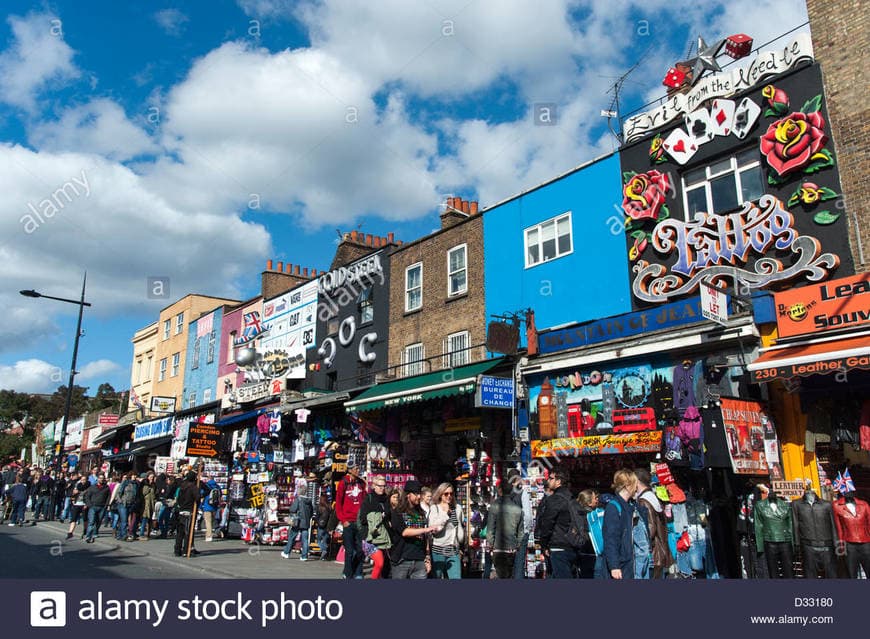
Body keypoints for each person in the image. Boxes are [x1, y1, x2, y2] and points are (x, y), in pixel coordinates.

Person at [537, 468, 580, 578]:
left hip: (558, 546)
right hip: (572, 544)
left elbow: (547, 524)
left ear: (558, 481)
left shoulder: (555, 500)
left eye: (551, 478)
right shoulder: (572, 498)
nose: (548, 481)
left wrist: (544, 544)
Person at [390, 481, 435, 579]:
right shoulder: (397, 512)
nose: (419, 496)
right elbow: (404, 532)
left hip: (419, 560)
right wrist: (426, 529)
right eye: (416, 494)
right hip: (402, 560)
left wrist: (427, 557)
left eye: (420, 494)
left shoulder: (421, 512)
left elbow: (425, 538)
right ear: (408, 495)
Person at [635, 469, 673, 579]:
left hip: (653, 553)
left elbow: (650, 528)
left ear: (637, 481)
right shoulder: (652, 496)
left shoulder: (643, 501)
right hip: (660, 550)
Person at [603, 469, 638, 579]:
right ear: (627, 486)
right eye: (634, 485)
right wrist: (614, 566)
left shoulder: (630, 505)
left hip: (629, 561)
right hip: (621, 563)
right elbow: (611, 538)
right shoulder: (613, 507)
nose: (636, 488)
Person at [486, 482, 524, 578]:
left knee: (500, 575)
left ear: (500, 491)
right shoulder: (518, 509)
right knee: (508, 575)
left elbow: (490, 528)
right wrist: (518, 544)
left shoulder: (494, 506)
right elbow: (520, 531)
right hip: (511, 548)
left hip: (498, 548)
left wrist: (490, 544)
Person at [335, 462, 366, 578]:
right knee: (349, 551)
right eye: (356, 469)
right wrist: (343, 520)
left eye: (359, 468)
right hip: (348, 521)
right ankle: (347, 573)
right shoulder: (343, 483)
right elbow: (338, 504)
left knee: (360, 550)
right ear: (350, 470)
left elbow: (365, 499)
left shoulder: (361, 483)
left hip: (359, 522)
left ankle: (358, 572)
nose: (358, 471)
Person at [428, 483, 465, 579]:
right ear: (440, 494)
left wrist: (461, 546)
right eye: (446, 494)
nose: (449, 496)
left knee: (456, 578)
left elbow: (460, 527)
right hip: (438, 550)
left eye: (451, 494)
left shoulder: (458, 508)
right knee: (437, 577)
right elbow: (433, 529)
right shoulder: (435, 508)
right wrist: (446, 515)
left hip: (454, 550)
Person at [358, 476, 391, 578]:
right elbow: (363, 518)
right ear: (374, 486)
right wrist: (376, 517)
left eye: (384, 486)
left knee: (385, 567)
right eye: (379, 486)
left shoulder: (387, 499)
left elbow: (389, 515)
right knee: (379, 562)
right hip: (370, 538)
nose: (382, 488)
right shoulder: (369, 499)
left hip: (384, 537)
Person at [579, 489, 609, 579]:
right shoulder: (592, 517)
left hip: (583, 554)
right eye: (594, 498)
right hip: (593, 555)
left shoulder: (579, 514)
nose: (597, 500)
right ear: (589, 503)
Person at [282, 481, 314, 561]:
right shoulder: (309, 501)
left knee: (292, 537)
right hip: (306, 522)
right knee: (305, 540)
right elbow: (311, 512)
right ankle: (304, 556)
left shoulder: (298, 499)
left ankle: (286, 553)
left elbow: (293, 509)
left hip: (297, 522)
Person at [174, 471, 201, 557]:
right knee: (188, 532)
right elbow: (198, 498)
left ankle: (177, 550)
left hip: (181, 510)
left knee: (180, 532)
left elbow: (178, 499)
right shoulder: (193, 487)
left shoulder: (182, 486)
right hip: (189, 511)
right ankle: (186, 550)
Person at [83, 474, 111, 543]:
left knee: (98, 521)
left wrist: (106, 505)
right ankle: (88, 536)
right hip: (93, 506)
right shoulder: (92, 487)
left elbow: (108, 497)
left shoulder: (106, 488)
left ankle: (95, 532)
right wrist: (89, 505)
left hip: (102, 507)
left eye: (102, 478)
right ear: (97, 479)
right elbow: (87, 496)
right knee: (91, 522)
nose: (101, 479)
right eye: (100, 478)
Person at [66, 473, 91, 539]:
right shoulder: (78, 485)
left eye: (84, 480)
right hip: (77, 503)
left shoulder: (89, 486)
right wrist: (73, 496)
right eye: (82, 479)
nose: (83, 481)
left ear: (87, 480)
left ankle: (85, 531)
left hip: (84, 504)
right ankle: (70, 532)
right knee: (73, 518)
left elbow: (90, 496)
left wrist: (87, 504)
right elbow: (73, 492)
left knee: (85, 519)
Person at [200, 474, 220, 542]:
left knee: (208, 522)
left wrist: (200, 506)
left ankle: (209, 536)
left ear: (208, 479)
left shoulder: (207, 486)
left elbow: (202, 495)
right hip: (215, 506)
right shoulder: (217, 486)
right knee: (212, 521)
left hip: (207, 506)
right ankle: (216, 532)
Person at [315, 491, 333, 560]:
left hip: (321, 526)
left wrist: (317, 522)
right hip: (327, 526)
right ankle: (324, 556)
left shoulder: (319, 507)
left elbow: (317, 516)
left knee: (319, 540)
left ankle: (324, 550)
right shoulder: (329, 507)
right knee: (325, 540)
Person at [138, 474, 156, 540]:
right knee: (144, 519)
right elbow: (144, 493)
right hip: (146, 504)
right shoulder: (145, 485)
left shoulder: (154, 485)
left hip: (151, 504)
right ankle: (141, 533)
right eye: (151, 477)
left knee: (150, 520)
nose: (152, 478)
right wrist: (148, 487)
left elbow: (154, 494)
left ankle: (148, 533)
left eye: (153, 477)